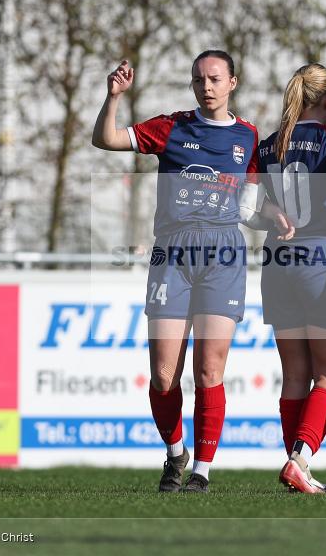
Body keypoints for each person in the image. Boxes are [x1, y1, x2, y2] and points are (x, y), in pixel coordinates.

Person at [92, 51, 276, 493]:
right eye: (198, 79)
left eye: (214, 79)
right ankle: (176, 455)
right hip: (172, 254)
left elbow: (247, 205)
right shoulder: (172, 126)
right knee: (162, 375)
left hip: (223, 255)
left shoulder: (249, 136)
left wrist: (273, 216)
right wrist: (113, 96)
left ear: (233, 81)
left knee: (209, 371)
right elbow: (106, 140)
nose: (205, 86)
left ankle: (202, 473)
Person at [241, 63, 326, 493]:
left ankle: (298, 468)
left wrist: (272, 214)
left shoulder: (272, 143)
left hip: (276, 263)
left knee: (295, 374)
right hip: (319, 260)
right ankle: (301, 459)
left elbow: (245, 211)